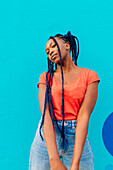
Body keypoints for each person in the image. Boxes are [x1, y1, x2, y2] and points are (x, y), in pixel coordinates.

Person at [29, 31, 100, 170]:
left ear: (67, 45)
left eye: (52, 46)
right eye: (47, 51)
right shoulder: (45, 78)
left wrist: (75, 164)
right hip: (48, 135)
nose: (50, 52)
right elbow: (46, 116)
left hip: (76, 135)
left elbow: (84, 116)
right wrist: (54, 159)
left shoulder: (90, 77)